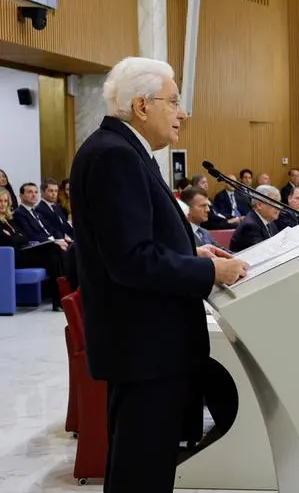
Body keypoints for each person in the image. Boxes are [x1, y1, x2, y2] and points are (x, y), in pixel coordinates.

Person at [69, 57, 248, 493]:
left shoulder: (124, 151)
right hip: (145, 346)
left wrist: (190, 249)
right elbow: (131, 260)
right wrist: (209, 269)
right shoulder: (115, 156)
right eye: (174, 101)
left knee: (140, 466)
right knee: (141, 472)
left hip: (145, 343)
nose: (182, 113)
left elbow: (138, 241)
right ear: (141, 106)